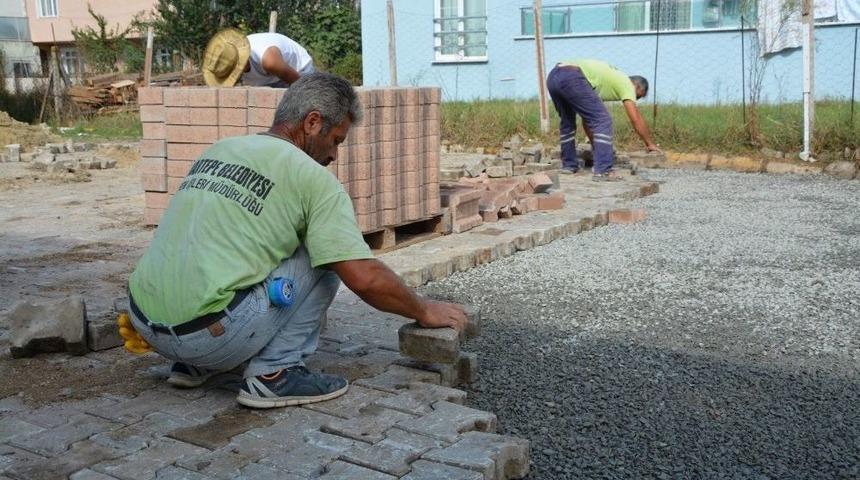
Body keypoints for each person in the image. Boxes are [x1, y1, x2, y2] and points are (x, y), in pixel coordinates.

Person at [128, 73, 466, 409]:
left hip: (145, 327)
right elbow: (364, 277)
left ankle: (194, 366)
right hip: (211, 336)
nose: (335, 155)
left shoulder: (221, 149)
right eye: (336, 140)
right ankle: (274, 374)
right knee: (331, 258)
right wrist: (423, 309)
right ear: (312, 122)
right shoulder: (314, 180)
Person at [546, 59, 660, 181]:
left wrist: (598, 147)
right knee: (604, 120)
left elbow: (588, 120)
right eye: (638, 95)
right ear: (636, 85)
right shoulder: (626, 83)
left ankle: (568, 166)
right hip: (572, 76)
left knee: (567, 122)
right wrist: (650, 144)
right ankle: (603, 171)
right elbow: (635, 118)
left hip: (553, 76)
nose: (635, 99)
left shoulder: (604, 81)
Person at [202, 29, 314, 88]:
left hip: (298, 72)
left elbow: (301, 85)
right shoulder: (228, 61)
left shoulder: (269, 60)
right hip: (270, 77)